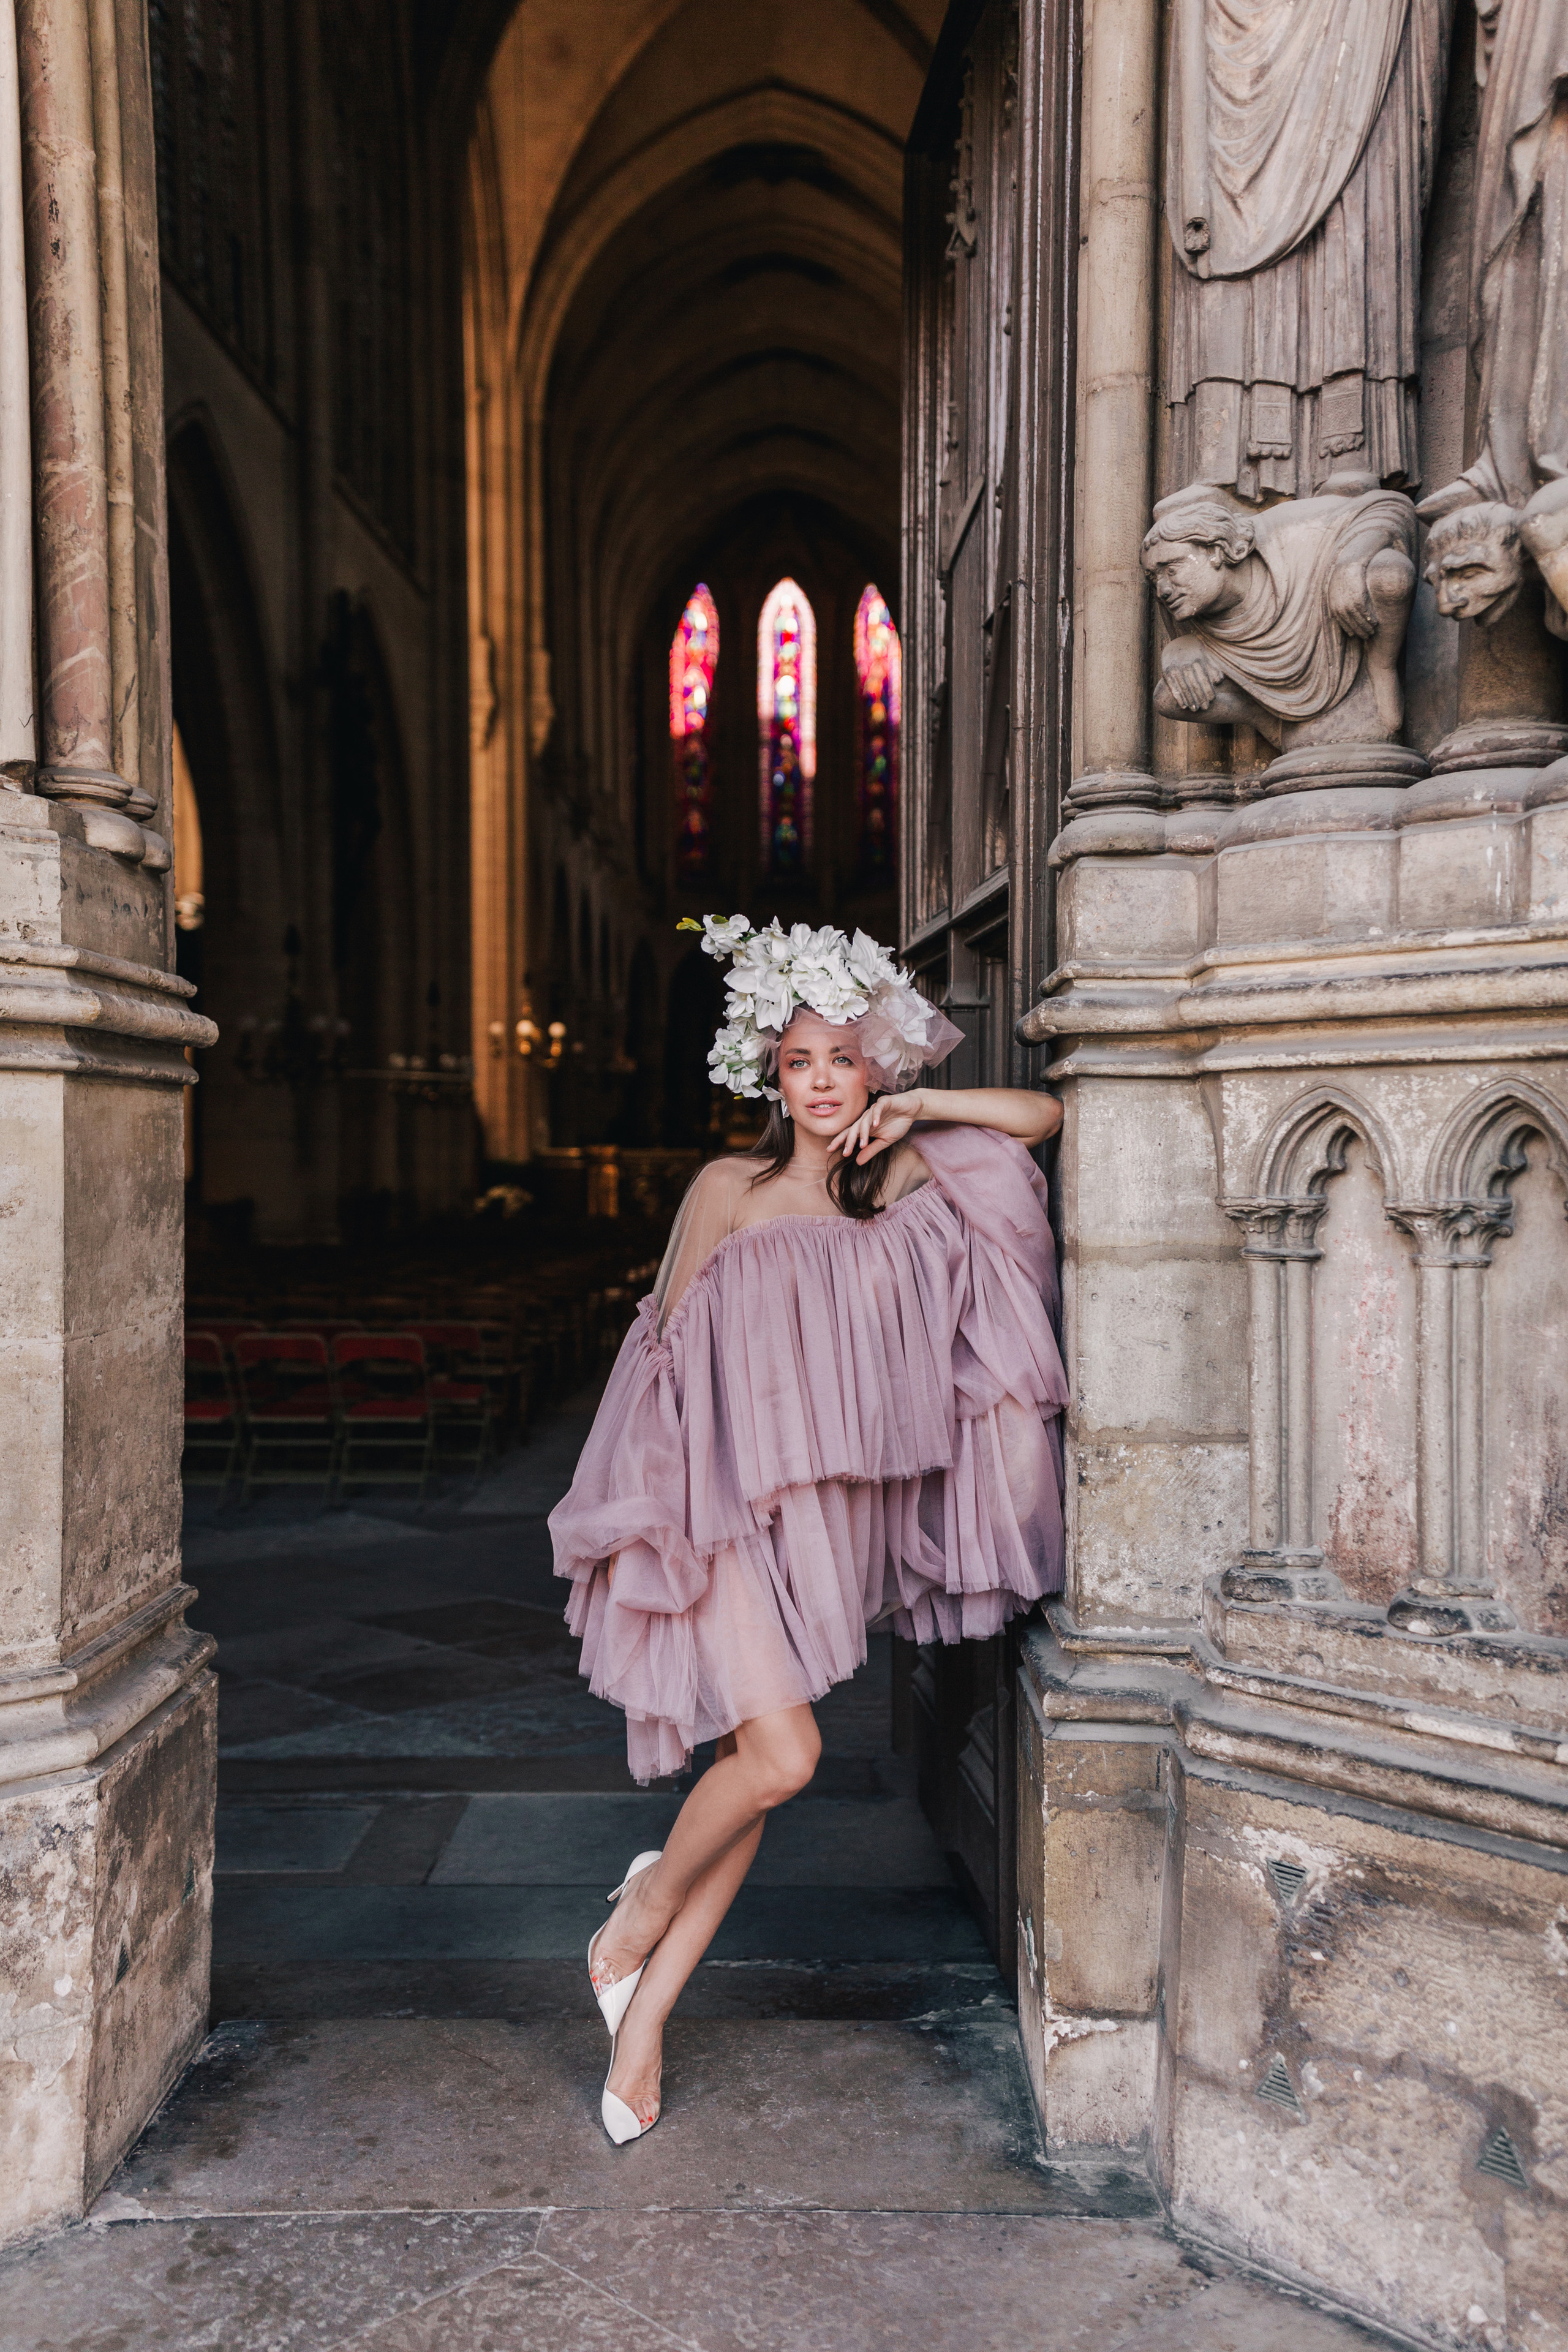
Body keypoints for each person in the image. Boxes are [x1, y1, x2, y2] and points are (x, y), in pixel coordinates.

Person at [548, 916, 1067, 2144]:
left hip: (822, 1533)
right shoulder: (724, 1192)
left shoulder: (889, 1182)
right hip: (721, 1519)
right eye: (799, 1060)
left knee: (754, 1776)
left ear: (873, 1065)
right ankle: (630, 1923)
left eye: (844, 1056)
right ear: (765, 1076)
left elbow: (1035, 1125)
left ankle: (646, 2013)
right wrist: (655, 1525)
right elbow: (658, 1366)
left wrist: (920, 1109)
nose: (825, 1080)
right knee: (780, 1761)